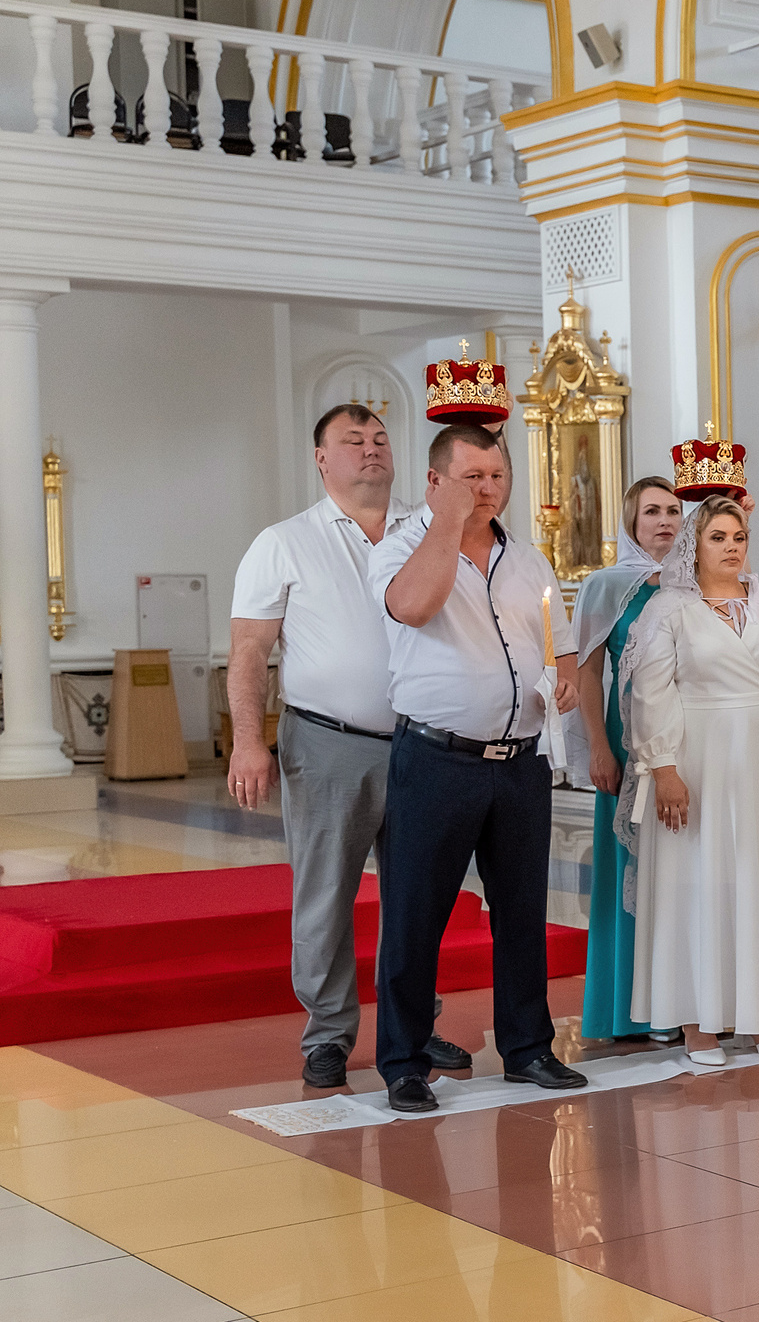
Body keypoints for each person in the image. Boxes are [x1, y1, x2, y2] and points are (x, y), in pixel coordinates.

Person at [229, 404, 472, 1089]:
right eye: (352, 440)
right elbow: (249, 648)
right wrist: (250, 741)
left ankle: (415, 1025)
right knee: (327, 894)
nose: (370, 450)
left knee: (419, 896)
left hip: (424, 743)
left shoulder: (427, 528)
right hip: (329, 742)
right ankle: (328, 1035)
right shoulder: (284, 541)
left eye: (379, 439)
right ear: (320, 458)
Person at [368, 424, 588, 1114]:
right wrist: (449, 523)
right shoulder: (401, 548)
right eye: (471, 477)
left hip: (518, 761)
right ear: (435, 482)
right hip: (437, 758)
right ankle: (404, 1060)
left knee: (523, 911)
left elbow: (562, 646)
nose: (487, 488)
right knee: (415, 913)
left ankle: (526, 1047)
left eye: (496, 476)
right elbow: (413, 605)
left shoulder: (527, 559)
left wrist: (565, 682)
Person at [621, 496, 759, 1062]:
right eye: (718, 537)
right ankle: (699, 1024)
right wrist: (664, 770)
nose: (731, 547)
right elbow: (651, 693)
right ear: (696, 544)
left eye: (738, 537)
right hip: (699, 759)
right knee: (700, 881)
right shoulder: (669, 609)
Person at [571, 475, 685, 1044]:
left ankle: (684, 1001)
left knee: (685, 869)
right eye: (651, 512)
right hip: (627, 735)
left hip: (689, 739)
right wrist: (597, 744)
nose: (664, 521)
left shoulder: (697, 585)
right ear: (631, 522)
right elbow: (587, 673)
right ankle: (633, 1007)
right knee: (631, 868)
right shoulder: (605, 587)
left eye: (673, 510)